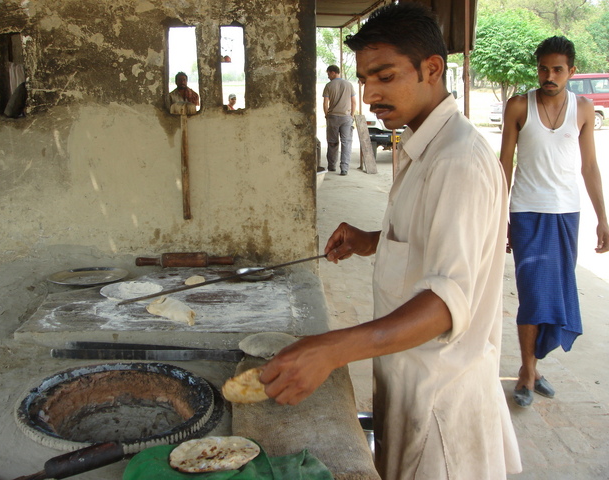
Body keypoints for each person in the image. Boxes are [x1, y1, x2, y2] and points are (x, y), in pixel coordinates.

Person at [260, 3, 521, 479]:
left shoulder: (458, 161)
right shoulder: (422, 145)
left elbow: (447, 304)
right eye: (364, 79)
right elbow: (435, 237)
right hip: (406, 385)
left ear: (432, 69)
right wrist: (374, 240)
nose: (370, 93)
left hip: (440, 401)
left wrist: (332, 349)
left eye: (384, 76)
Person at [499, 36, 609, 408]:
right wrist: (501, 216)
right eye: (544, 68)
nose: (549, 76)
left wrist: (602, 219)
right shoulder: (518, 106)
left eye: (558, 69)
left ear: (572, 72)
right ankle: (527, 372)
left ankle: (533, 368)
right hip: (527, 212)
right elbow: (505, 164)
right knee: (532, 293)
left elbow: (590, 166)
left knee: (554, 293)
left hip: (567, 213)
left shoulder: (583, 108)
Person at [323, 65, 356, 175]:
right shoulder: (349, 85)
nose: (328, 76)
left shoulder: (328, 86)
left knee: (332, 142)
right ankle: (344, 168)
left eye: (328, 74)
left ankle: (332, 165)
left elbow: (325, 103)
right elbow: (354, 102)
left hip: (333, 117)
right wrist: (351, 115)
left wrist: (326, 114)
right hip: (346, 117)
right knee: (346, 143)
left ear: (333, 72)